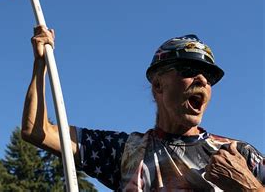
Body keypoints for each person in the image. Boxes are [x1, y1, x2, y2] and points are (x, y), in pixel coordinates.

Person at [21, 26, 265, 191]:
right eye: (189, 71)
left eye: (209, 76)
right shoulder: (126, 150)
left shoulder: (238, 155)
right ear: (158, 85)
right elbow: (36, 129)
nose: (202, 80)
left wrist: (247, 185)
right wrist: (41, 63)